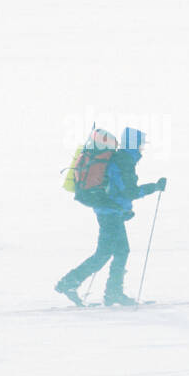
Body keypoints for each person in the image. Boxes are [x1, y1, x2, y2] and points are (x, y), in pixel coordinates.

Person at [55, 127, 166, 307]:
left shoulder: (119, 159)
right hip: (109, 212)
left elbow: (117, 188)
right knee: (110, 252)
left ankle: (108, 291)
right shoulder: (124, 162)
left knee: (116, 251)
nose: (142, 148)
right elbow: (129, 191)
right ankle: (76, 284)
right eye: (141, 145)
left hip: (108, 210)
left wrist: (124, 210)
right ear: (133, 144)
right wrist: (154, 187)